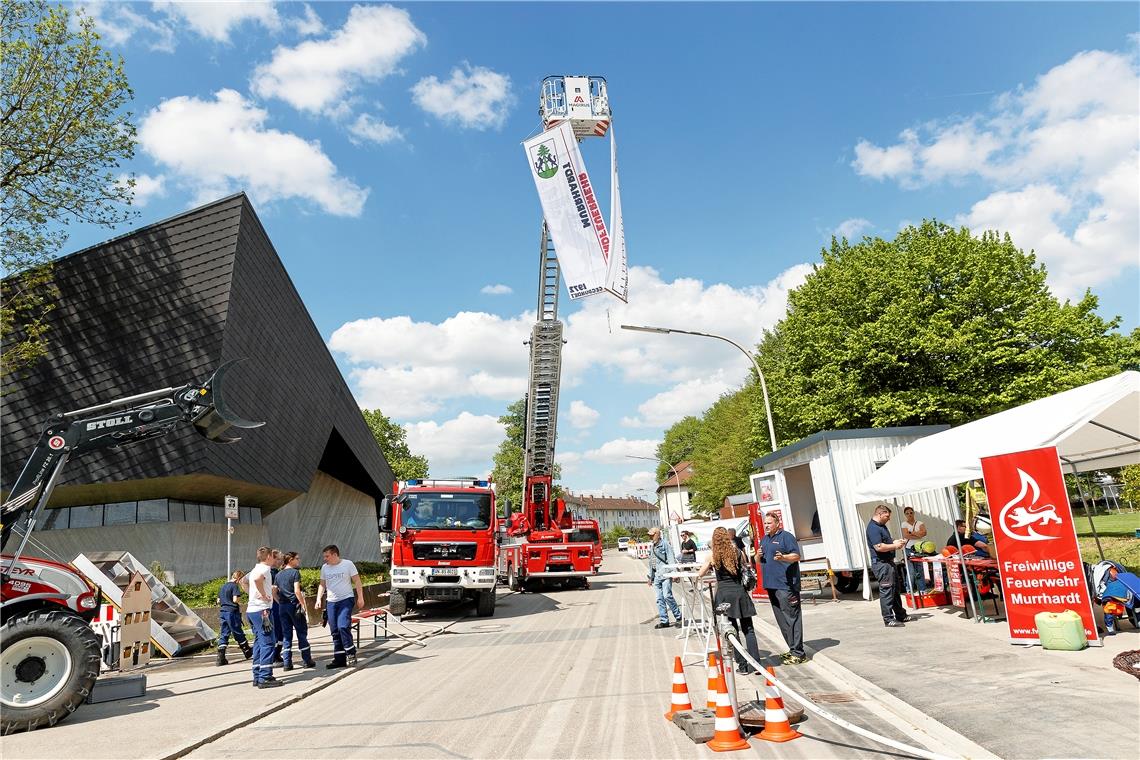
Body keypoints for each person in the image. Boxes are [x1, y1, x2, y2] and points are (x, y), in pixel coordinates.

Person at [697, 527, 764, 674]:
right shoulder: (738, 552)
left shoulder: (712, 556)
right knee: (749, 630)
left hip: (724, 595)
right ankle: (757, 664)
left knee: (732, 631)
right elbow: (745, 568)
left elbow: (701, 573)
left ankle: (743, 665)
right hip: (740, 592)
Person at [759, 513, 806, 664]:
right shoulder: (765, 539)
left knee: (792, 618)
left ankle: (799, 653)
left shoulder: (786, 536)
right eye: (765, 523)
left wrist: (784, 558)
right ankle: (792, 649)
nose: (766, 525)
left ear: (777, 523)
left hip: (786, 585)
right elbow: (759, 560)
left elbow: (797, 556)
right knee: (782, 620)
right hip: (771, 585)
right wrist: (756, 556)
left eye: (769, 523)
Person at [315, 544, 364, 669]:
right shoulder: (325, 568)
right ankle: (339, 659)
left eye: (327, 556)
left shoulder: (348, 564)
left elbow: (357, 581)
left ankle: (351, 653)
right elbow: (322, 585)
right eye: (324, 556)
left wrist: (360, 597)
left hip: (346, 600)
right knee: (335, 631)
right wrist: (318, 599)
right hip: (331, 602)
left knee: (343, 626)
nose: (325, 559)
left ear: (335, 554)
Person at [866, 505, 908, 627]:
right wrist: (895, 546)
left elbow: (886, 541)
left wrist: (895, 542)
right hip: (881, 564)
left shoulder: (881, 526)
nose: (888, 519)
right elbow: (878, 546)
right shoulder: (873, 528)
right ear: (880, 514)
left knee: (895, 590)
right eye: (887, 516)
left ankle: (901, 615)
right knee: (887, 591)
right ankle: (888, 619)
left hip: (889, 562)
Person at [246, 546, 282, 687]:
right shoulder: (265, 569)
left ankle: (257, 674)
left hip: (252, 610)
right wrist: (262, 594)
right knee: (268, 642)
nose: (274, 559)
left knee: (258, 642)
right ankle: (265, 676)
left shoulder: (255, 568)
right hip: (263, 611)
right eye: (273, 557)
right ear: (268, 557)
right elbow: (257, 580)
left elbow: (248, 580)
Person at [275, 551, 316, 670]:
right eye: (297, 558)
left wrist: (280, 601)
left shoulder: (279, 574)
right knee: (301, 632)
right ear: (291, 559)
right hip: (294, 605)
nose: (299, 560)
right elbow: (297, 591)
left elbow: (274, 591)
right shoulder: (295, 573)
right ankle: (307, 660)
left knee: (287, 635)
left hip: (283, 607)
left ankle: (287, 663)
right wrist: (302, 604)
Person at [646, 527, 683, 629]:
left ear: (658, 534)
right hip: (657, 575)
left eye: (652, 535)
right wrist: (650, 577)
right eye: (650, 535)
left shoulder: (665, 544)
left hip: (666, 574)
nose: (651, 537)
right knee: (659, 599)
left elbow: (671, 559)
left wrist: (674, 573)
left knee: (667, 596)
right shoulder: (652, 546)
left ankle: (679, 617)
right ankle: (664, 620)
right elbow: (652, 562)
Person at [215, 569, 252, 666]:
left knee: (224, 633)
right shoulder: (234, 586)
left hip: (223, 612)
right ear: (239, 578)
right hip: (232, 612)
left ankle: (220, 658)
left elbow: (218, 601)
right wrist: (239, 602)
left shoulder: (223, 586)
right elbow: (235, 599)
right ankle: (247, 651)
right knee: (237, 631)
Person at [901, 506, 928, 594]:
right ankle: (909, 589)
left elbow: (924, 533)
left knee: (919, 569)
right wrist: (918, 534)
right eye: (907, 513)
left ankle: (922, 589)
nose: (909, 515)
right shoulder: (904, 524)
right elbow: (906, 535)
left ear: (914, 513)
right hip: (908, 548)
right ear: (905, 515)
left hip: (918, 548)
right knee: (910, 570)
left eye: (911, 512)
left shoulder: (920, 523)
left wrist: (912, 532)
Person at [269, 549, 285, 665]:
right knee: (278, 630)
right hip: (274, 606)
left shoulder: (269, 572)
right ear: (273, 559)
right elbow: (274, 591)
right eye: (279, 559)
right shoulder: (272, 573)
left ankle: (276, 655)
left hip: (272, 605)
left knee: (279, 631)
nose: (281, 562)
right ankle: (275, 656)